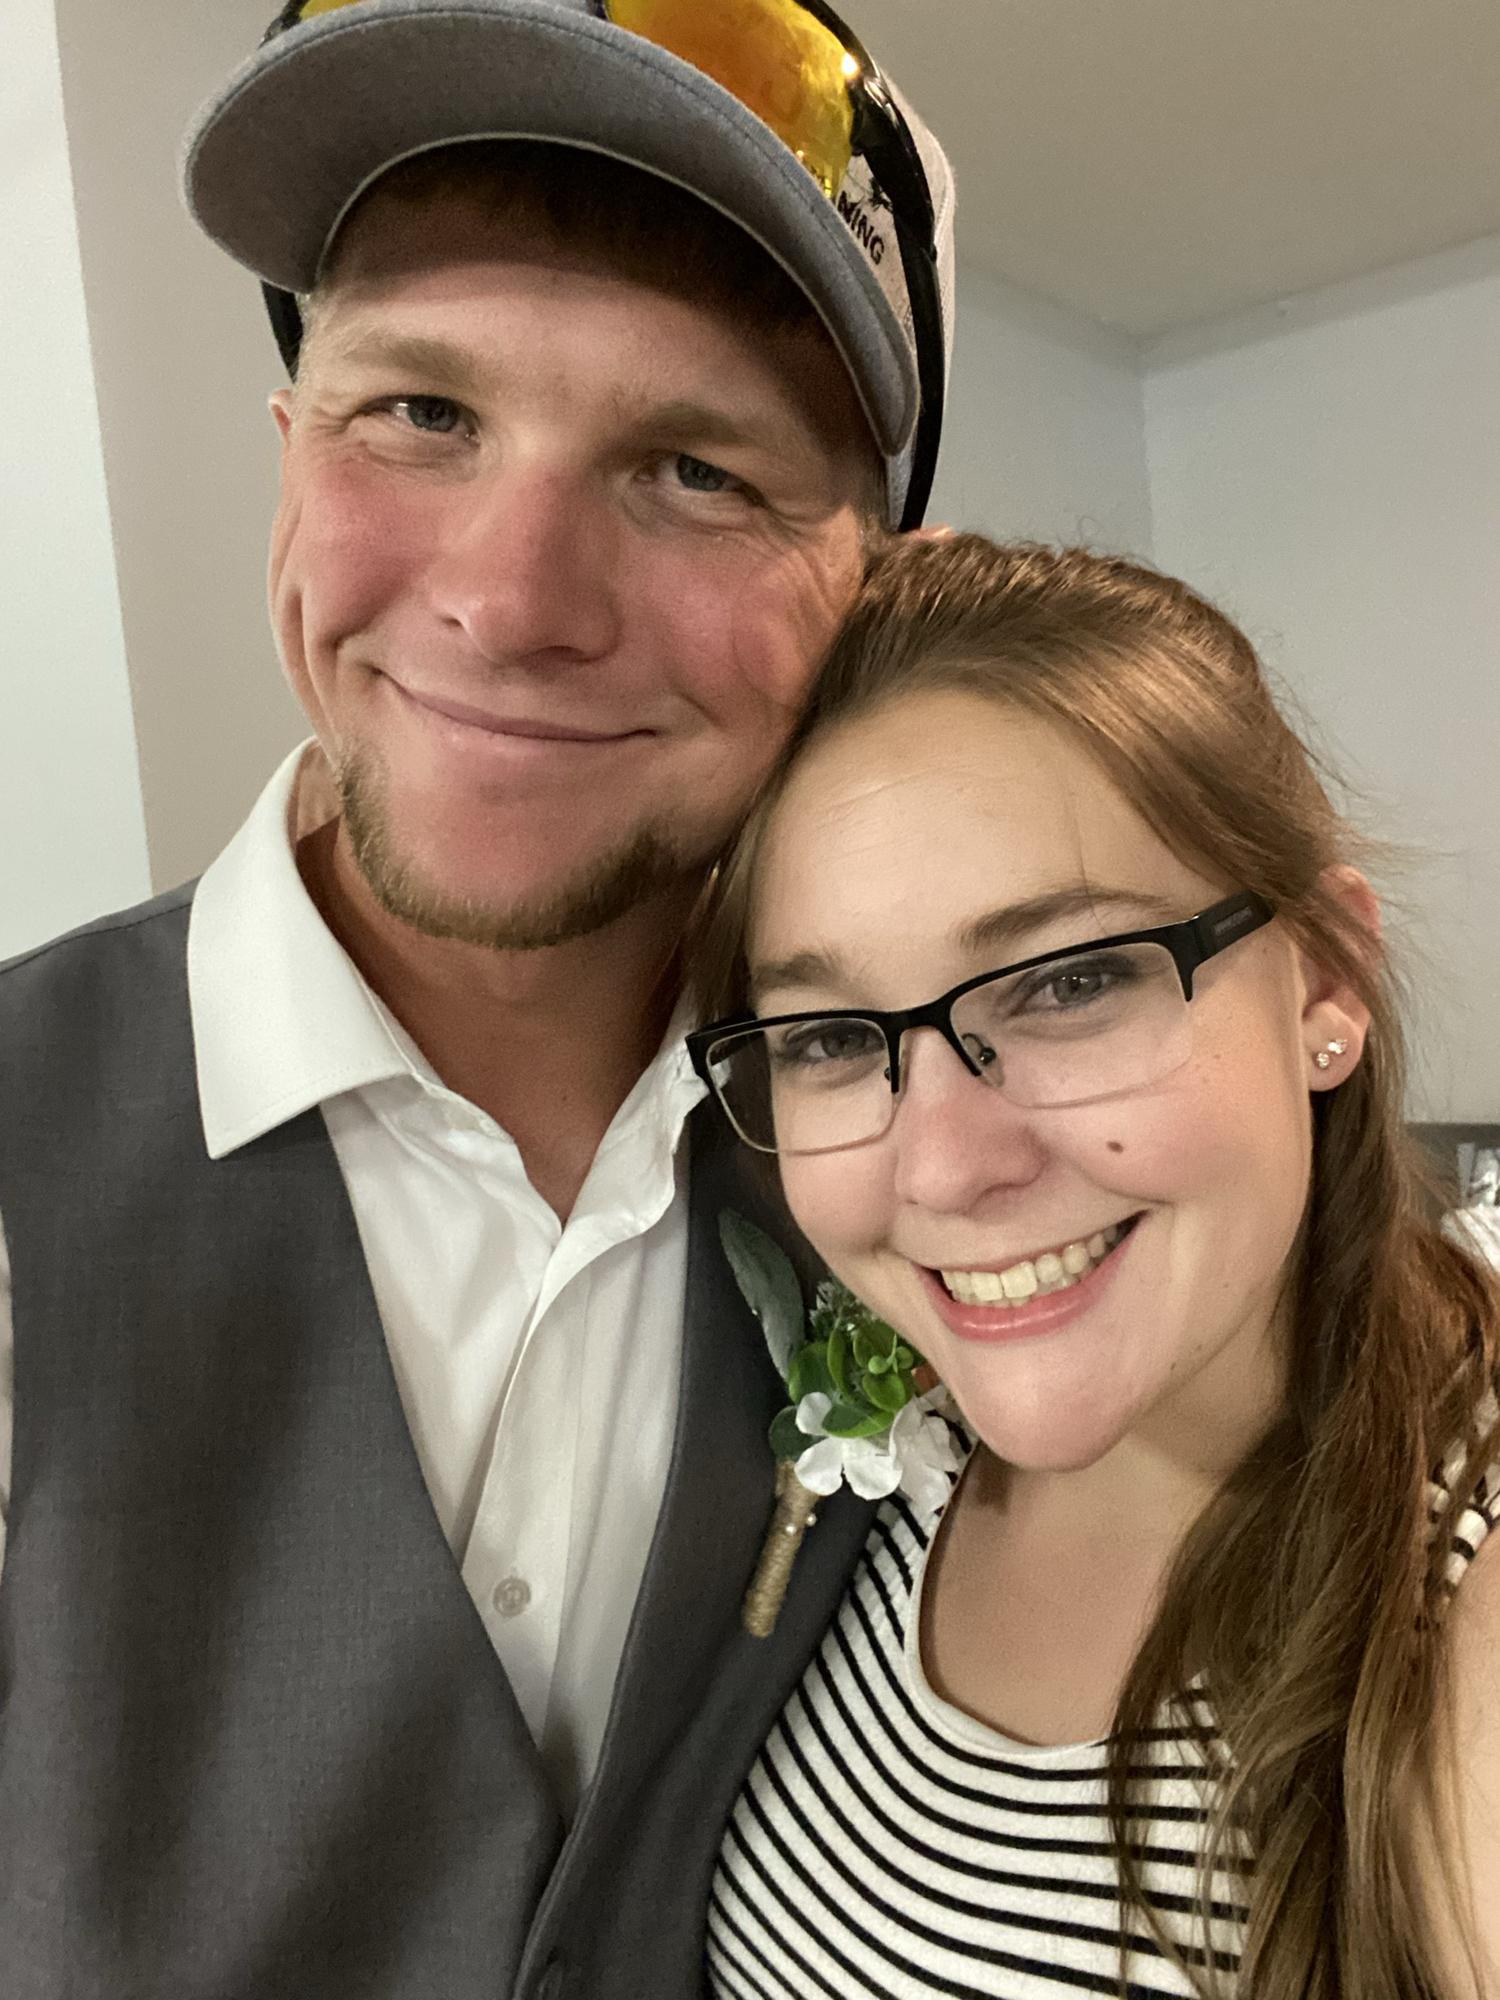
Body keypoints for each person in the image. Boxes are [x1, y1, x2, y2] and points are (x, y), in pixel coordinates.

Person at [0, 3, 956, 1994]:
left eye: (696, 468)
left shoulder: (963, 1172)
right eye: (421, 413)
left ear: (880, 597)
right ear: (290, 457)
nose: (513, 602)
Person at [687, 534, 1500, 1998]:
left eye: (1070, 983)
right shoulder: (887, 1461)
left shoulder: (1460, 1617)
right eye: (829, 1038)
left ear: (1325, 978)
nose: (943, 1168)